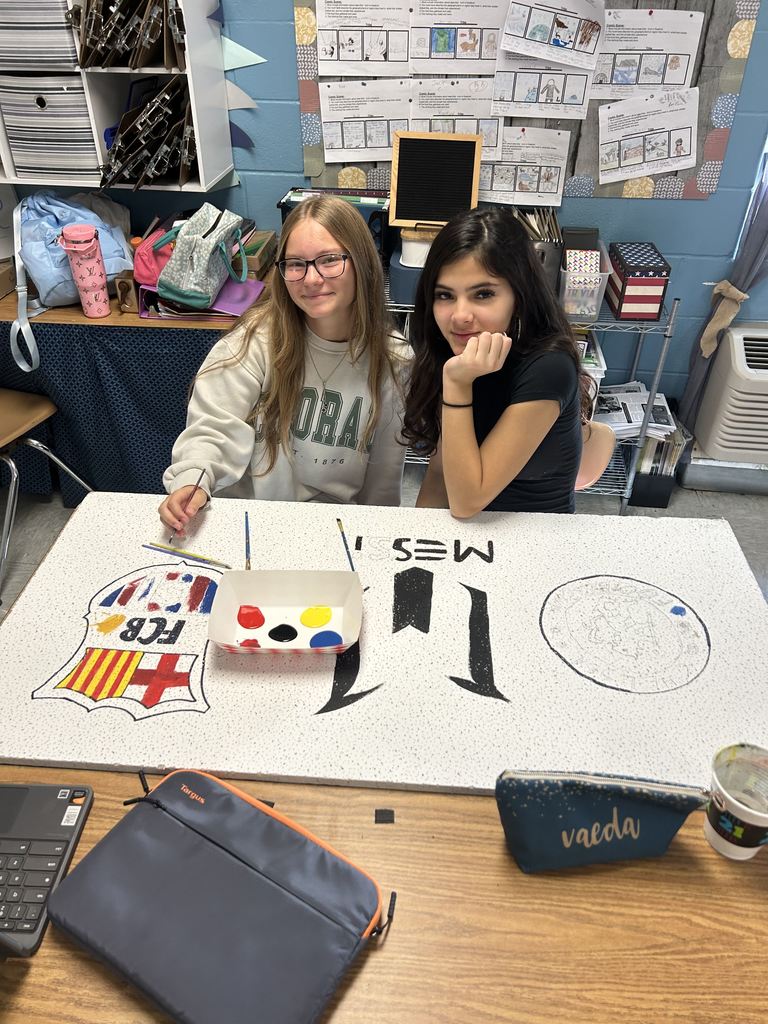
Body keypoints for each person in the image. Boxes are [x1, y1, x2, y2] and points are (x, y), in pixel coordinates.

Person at [159, 196, 410, 534]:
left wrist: (376, 536)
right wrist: (193, 479)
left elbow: (383, 480)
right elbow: (214, 426)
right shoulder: (255, 340)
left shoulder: (394, 360)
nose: (311, 279)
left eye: (329, 260)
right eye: (295, 264)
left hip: (332, 527)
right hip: (252, 521)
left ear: (362, 262)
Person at [403, 206, 603, 518]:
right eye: (445, 295)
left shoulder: (549, 366)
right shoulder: (458, 354)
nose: (460, 315)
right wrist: (416, 534)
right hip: (471, 534)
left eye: (483, 294)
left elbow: (466, 502)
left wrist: (457, 384)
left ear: (519, 296)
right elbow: (440, 475)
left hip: (536, 534)